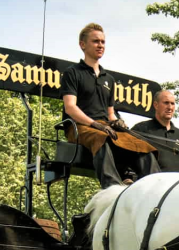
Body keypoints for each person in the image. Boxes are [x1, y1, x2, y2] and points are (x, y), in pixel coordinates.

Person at [60, 23, 160, 188]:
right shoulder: (73, 73)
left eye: (103, 42)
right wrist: (95, 124)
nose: (100, 45)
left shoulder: (109, 79)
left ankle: (155, 187)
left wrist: (117, 122)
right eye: (95, 41)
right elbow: (70, 107)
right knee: (103, 138)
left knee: (141, 144)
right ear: (82, 45)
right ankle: (112, 187)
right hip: (79, 127)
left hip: (105, 125)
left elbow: (111, 113)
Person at [131, 90, 179, 172]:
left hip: (174, 183)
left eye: (172, 103)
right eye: (166, 103)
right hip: (151, 183)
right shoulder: (141, 129)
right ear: (156, 105)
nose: (170, 107)